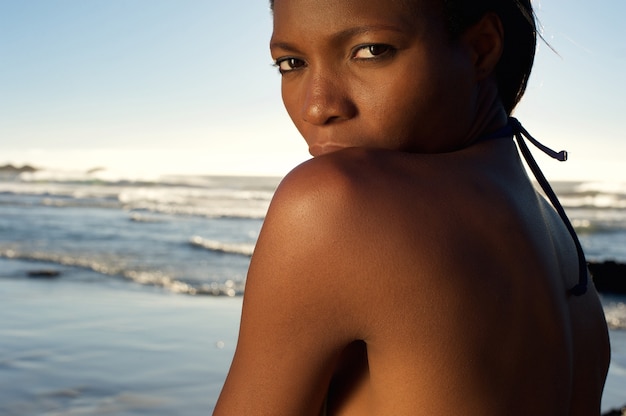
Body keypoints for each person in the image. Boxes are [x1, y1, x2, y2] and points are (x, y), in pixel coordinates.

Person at [214, 0, 611, 414]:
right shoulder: (557, 238)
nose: (317, 106)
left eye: (371, 51)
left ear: (481, 49)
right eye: (292, 62)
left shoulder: (336, 203)